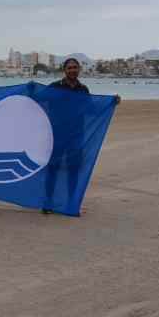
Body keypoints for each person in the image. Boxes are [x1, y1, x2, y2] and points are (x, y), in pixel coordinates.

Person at [43, 57, 119, 214]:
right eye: (69, 68)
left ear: (79, 70)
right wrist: (30, 89)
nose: (72, 70)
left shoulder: (83, 90)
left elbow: (91, 109)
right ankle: (47, 203)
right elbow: (40, 97)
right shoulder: (55, 87)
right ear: (64, 70)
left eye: (75, 67)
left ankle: (71, 203)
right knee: (53, 168)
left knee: (73, 170)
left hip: (76, 135)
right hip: (57, 135)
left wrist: (110, 103)